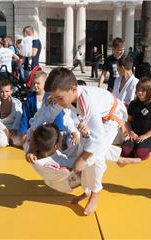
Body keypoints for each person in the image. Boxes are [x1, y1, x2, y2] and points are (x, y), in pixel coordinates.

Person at [26, 67, 128, 215]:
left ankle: (95, 193)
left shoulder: (86, 100)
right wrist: (31, 147)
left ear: (73, 89)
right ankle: (90, 186)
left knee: (94, 156)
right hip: (97, 117)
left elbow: (97, 138)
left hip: (111, 117)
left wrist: (83, 159)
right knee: (83, 149)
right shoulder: (61, 96)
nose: (56, 101)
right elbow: (42, 117)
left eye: (59, 98)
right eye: (54, 98)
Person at [28, 123, 140, 193]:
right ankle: (119, 160)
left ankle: (119, 159)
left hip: (63, 169)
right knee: (95, 152)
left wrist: (84, 137)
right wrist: (87, 142)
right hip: (65, 182)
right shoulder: (48, 164)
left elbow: (32, 134)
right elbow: (75, 167)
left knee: (91, 146)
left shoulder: (36, 151)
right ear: (56, 145)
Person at [18, 71, 65, 152]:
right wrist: (23, 133)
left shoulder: (51, 97)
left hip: (50, 131)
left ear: (45, 83)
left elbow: (58, 114)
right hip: (35, 130)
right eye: (34, 83)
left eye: (38, 83)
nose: (35, 85)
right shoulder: (31, 98)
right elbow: (25, 116)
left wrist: (59, 132)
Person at [121, 78, 151, 160]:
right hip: (134, 135)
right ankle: (135, 148)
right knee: (125, 151)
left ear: (149, 91)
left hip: (149, 136)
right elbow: (128, 121)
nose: (140, 93)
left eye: (143, 90)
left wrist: (146, 136)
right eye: (138, 90)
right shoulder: (133, 104)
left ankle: (147, 149)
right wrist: (131, 132)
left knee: (140, 153)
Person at [0, 79, 22, 148]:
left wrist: (14, 128)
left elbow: (19, 116)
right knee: (1, 143)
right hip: (0, 128)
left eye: (7, 91)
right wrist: (4, 129)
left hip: (13, 127)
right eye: (2, 92)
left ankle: (9, 139)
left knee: (19, 141)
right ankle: (3, 138)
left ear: (11, 91)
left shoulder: (17, 103)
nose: (4, 94)